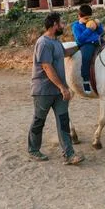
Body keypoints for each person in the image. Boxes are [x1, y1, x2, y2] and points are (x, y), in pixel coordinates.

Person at [28, 12, 85, 165]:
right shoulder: (43, 43)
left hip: (59, 91)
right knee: (39, 120)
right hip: (44, 90)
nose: (63, 26)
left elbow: (65, 53)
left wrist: (80, 45)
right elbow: (46, 66)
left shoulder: (56, 42)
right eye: (61, 23)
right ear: (54, 24)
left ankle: (69, 154)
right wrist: (62, 87)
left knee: (63, 121)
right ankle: (33, 150)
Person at [71, 4, 104, 94]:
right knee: (86, 58)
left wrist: (98, 25)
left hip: (98, 41)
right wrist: (89, 30)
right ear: (79, 16)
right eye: (85, 18)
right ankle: (86, 80)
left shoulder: (91, 22)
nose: (87, 20)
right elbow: (79, 39)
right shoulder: (76, 26)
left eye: (89, 18)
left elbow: (101, 32)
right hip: (86, 44)